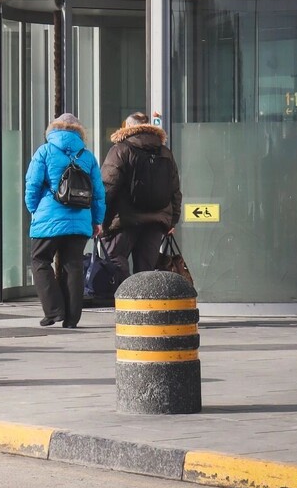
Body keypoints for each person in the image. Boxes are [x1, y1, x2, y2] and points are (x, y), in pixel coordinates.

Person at [24, 113, 105, 328]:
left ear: (53, 130)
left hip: (49, 217)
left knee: (40, 260)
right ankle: (72, 318)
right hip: (80, 220)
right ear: (79, 133)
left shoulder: (45, 151)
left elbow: (32, 184)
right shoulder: (87, 156)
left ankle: (53, 311)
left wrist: (34, 209)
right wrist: (97, 220)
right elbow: (98, 192)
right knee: (74, 265)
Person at [100, 112, 182, 281]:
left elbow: (107, 186)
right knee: (146, 270)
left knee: (115, 259)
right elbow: (174, 190)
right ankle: (143, 304)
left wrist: (99, 218)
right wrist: (172, 220)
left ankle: (125, 300)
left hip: (124, 220)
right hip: (155, 222)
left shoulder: (120, 149)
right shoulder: (165, 152)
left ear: (128, 127)